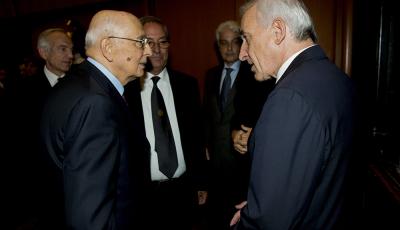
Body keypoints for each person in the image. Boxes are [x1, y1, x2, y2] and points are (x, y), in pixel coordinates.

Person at [230, 0, 355, 229]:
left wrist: (252, 218)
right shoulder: (336, 78)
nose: (242, 54)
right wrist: (268, 202)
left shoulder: (289, 98)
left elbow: (270, 222)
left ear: (277, 31)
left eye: (246, 38)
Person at [40, 10, 152, 229]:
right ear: (108, 48)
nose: (148, 50)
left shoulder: (76, 85)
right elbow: (90, 217)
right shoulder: (95, 103)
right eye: (141, 41)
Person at [124, 15, 207, 230]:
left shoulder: (188, 85)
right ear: (138, 46)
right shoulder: (124, 92)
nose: (157, 49)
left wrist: (201, 183)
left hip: (184, 192)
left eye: (162, 42)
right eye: (149, 42)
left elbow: (197, 138)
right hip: (143, 197)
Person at [203, 20, 274, 229]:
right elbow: (207, 117)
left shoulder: (256, 72)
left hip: (243, 165)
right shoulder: (211, 75)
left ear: (242, 43)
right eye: (224, 43)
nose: (229, 48)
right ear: (218, 46)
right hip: (216, 166)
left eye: (234, 42)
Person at [3, 28, 74, 229]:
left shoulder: (84, 85)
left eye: (71, 49)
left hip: (80, 185)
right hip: (41, 192)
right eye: (62, 49)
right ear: (44, 53)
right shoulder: (21, 92)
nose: (70, 55)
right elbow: (16, 142)